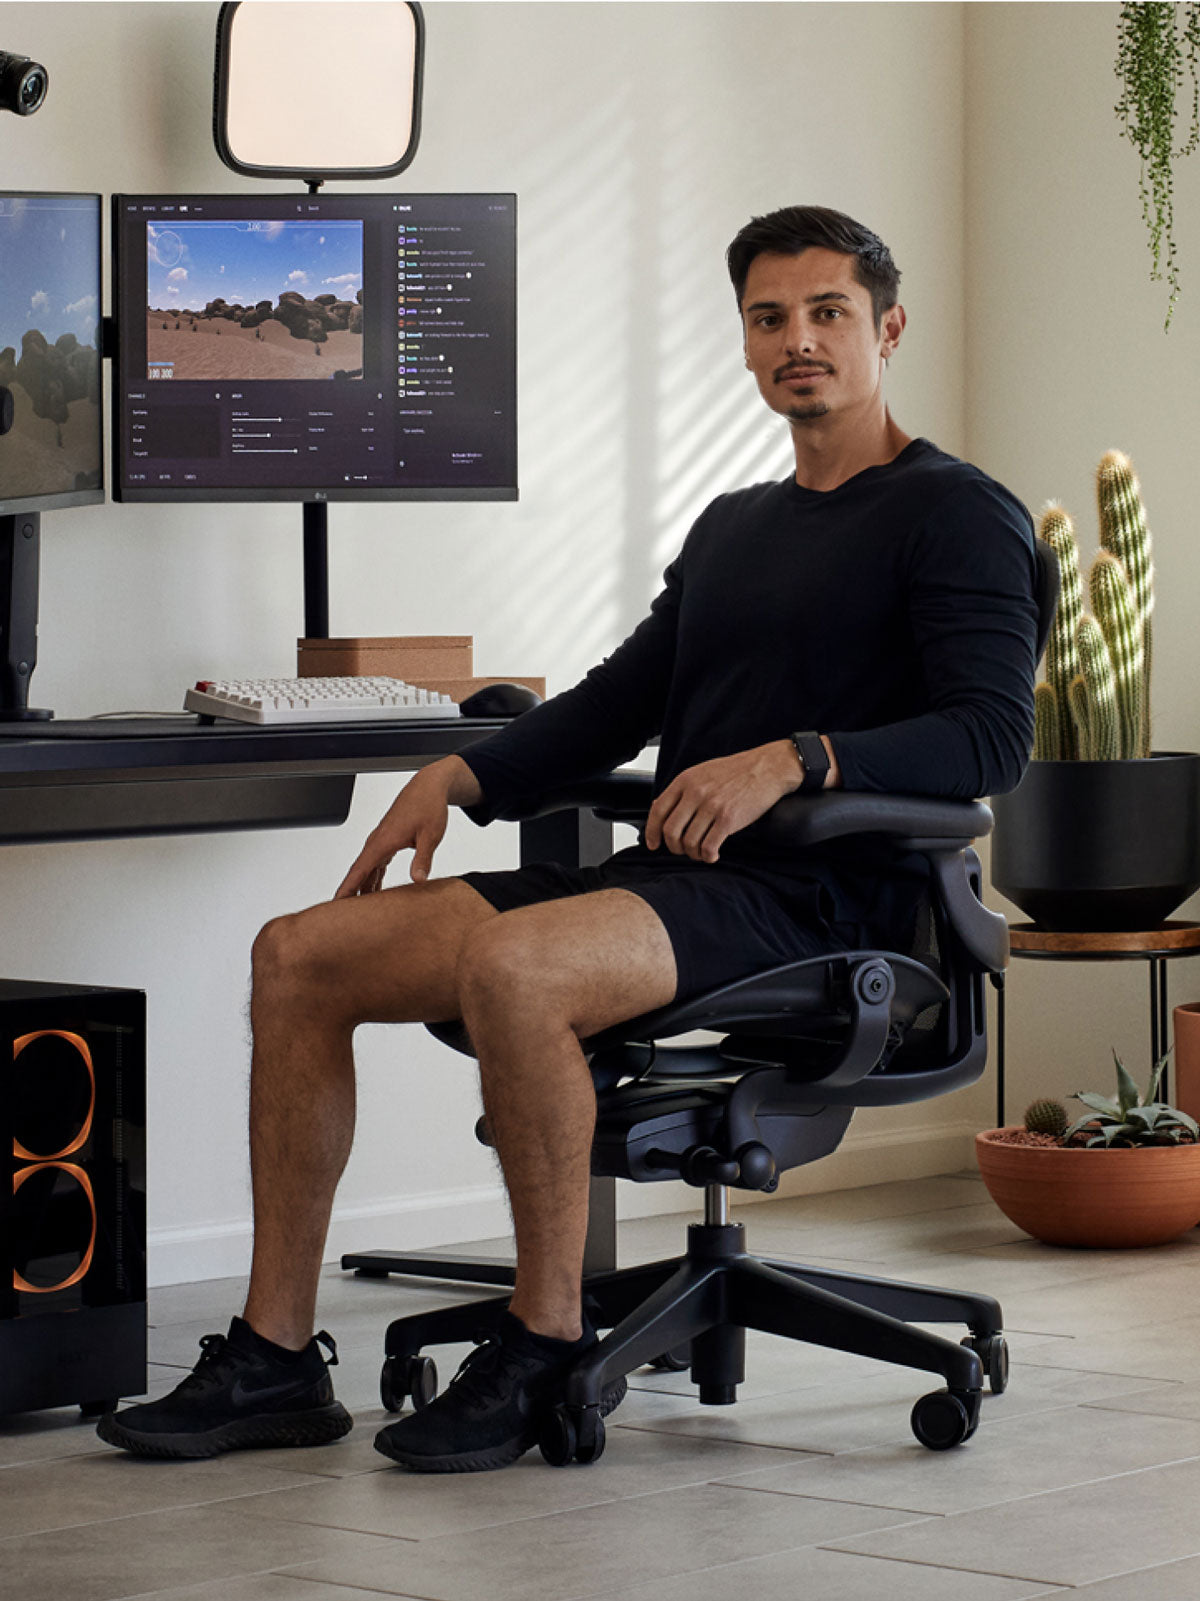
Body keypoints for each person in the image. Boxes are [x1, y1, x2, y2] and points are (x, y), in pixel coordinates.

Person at [97, 205, 1039, 1470]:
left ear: (889, 328)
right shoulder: (735, 526)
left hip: (825, 902)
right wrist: (462, 774)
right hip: (686, 880)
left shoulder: (958, 514)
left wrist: (797, 756)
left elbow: (991, 736)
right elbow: (617, 701)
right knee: (298, 954)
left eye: (828, 313)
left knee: (518, 965)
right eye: (770, 318)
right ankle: (273, 1357)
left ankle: (544, 1342)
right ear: (746, 339)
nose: (798, 341)